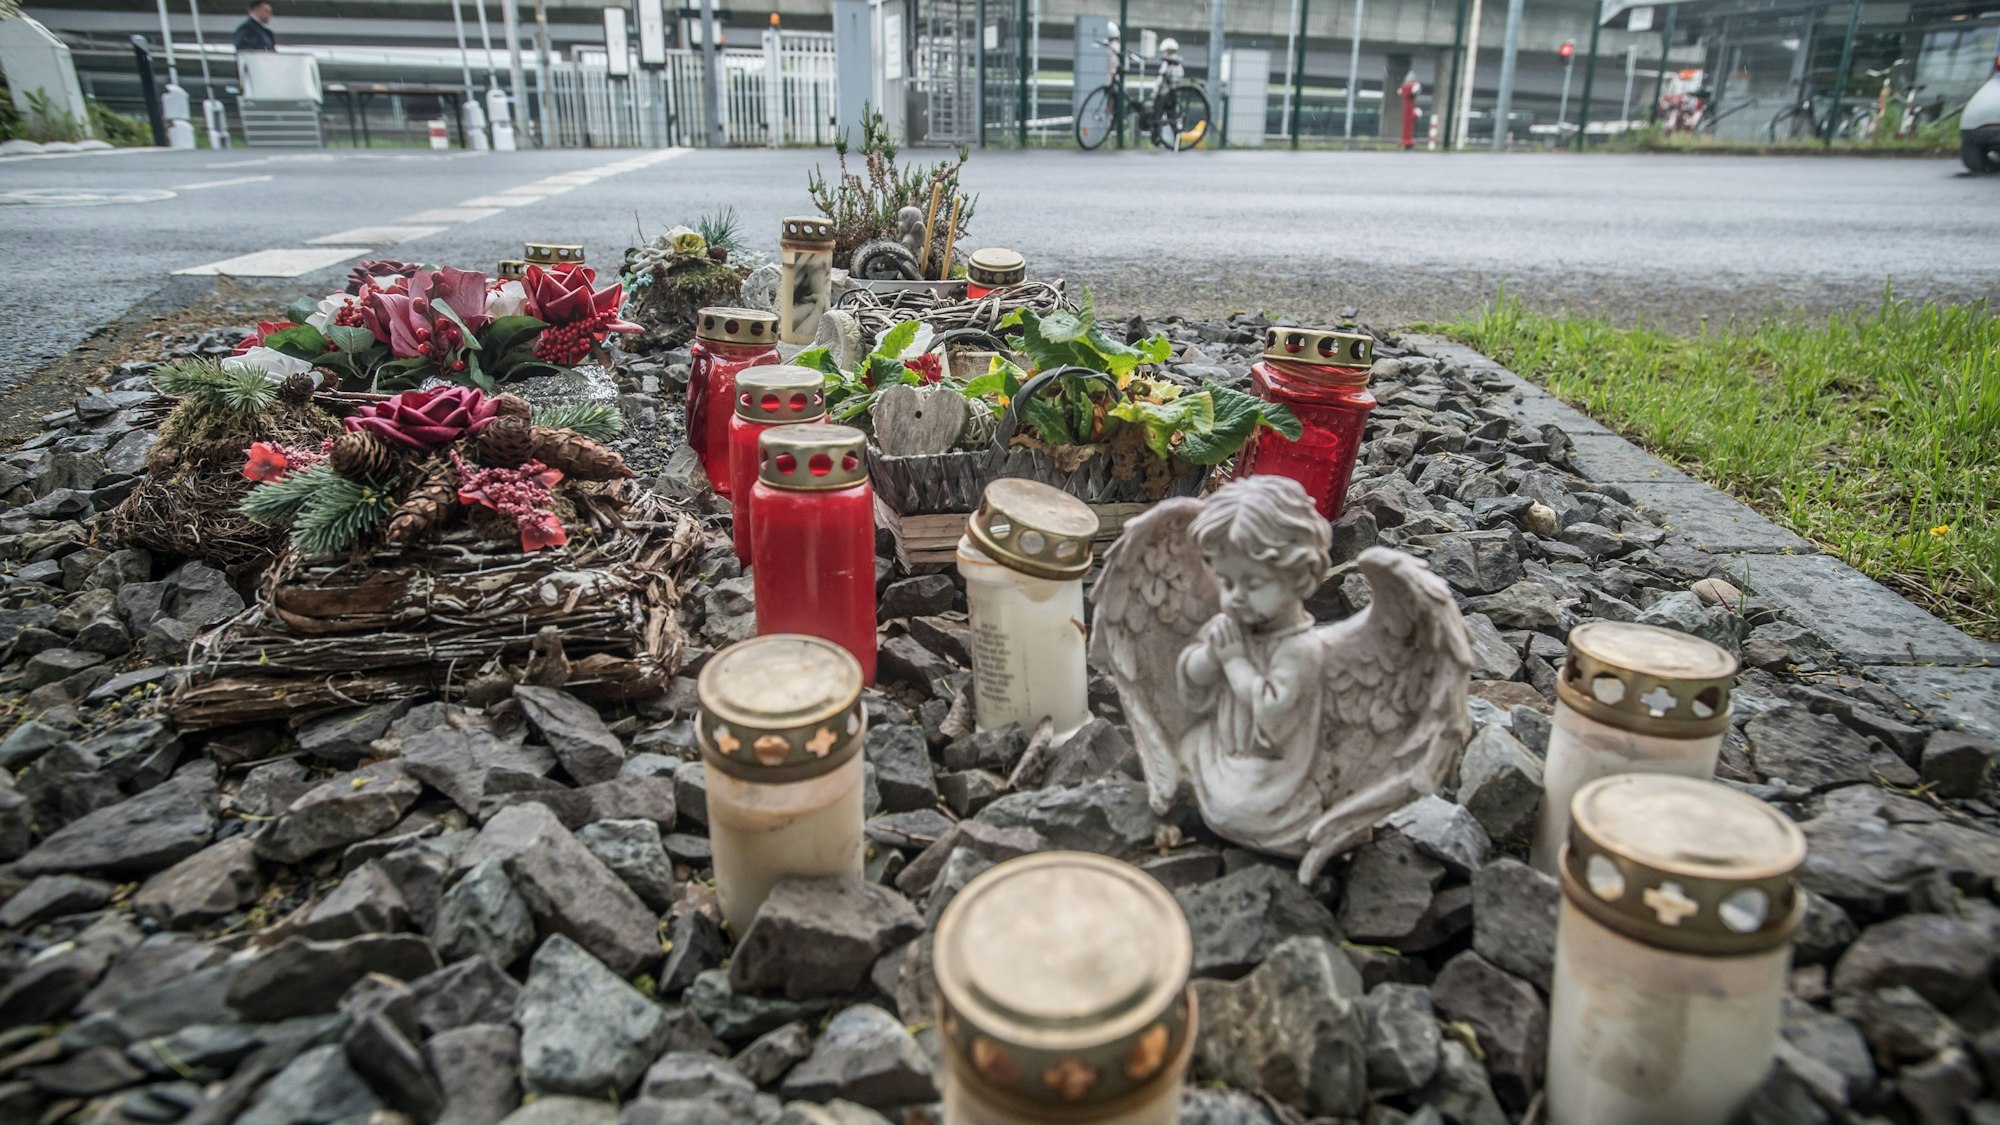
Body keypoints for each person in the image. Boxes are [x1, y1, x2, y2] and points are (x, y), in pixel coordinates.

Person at [1399, 72, 1422, 150]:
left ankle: (1407, 140)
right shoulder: (1414, 87)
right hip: (1409, 109)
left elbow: (1400, 92)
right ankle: (1408, 140)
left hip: (1409, 109)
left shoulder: (1405, 88)